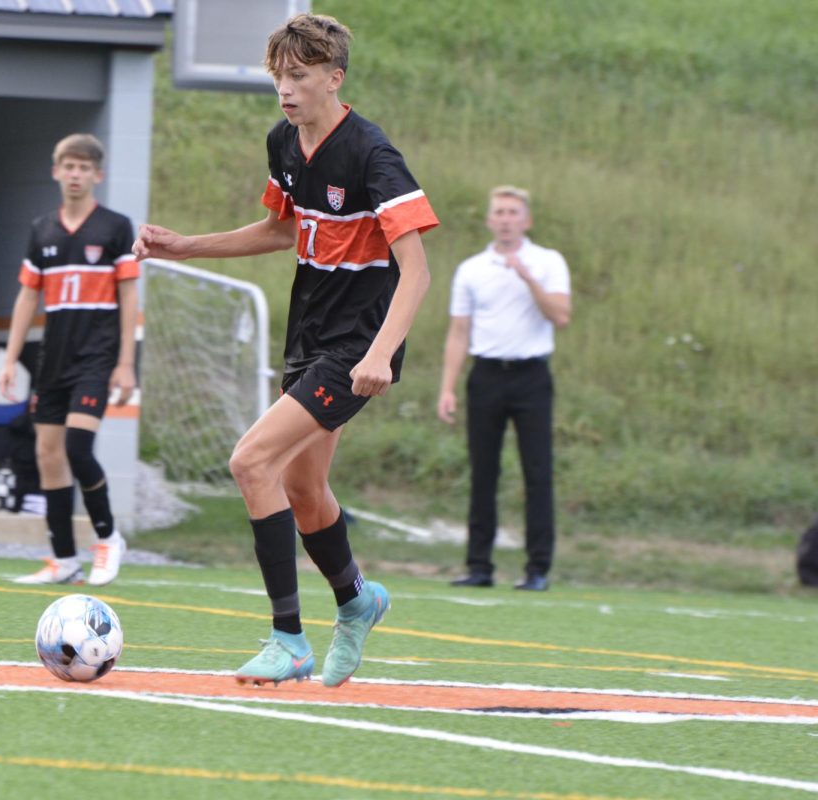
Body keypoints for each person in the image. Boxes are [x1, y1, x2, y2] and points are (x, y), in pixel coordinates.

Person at [134, 13, 439, 687]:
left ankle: (288, 639)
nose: (286, 89)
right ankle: (358, 600)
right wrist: (185, 243)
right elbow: (279, 230)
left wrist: (381, 354)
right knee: (303, 487)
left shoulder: (372, 155)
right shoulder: (283, 143)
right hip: (307, 338)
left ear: (334, 77)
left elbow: (415, 270)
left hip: (356, 345)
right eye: (278, 76)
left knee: (251, 461)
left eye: (299, 76)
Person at [0, 133, 138, 587]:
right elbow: (26, 297)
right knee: (47, 453)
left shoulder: (116, 227)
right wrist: (9, 359)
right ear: (56, 171)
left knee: (78, 447)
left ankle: (108, 538)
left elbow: (129, 293)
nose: (75, 174)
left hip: (96, 359)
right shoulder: (42, 229)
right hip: (52, 361)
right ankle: (63, 559)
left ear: (97, 175)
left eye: (84, 168)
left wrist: (125, 362)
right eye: (68, 166)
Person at [437, 185, 571, 592]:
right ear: (489, 220)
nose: (507, 219)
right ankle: (479, 565)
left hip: (531, 377)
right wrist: (448, 387)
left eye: (514, 212)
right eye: (500, 212)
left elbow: (561, 315)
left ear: (526, 220)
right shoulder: (472, 269)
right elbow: (459, 332)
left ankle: (537, 569)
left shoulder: (548, 262)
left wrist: (527, 277)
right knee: (483, 472)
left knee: (537, 471)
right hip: (487, 376)